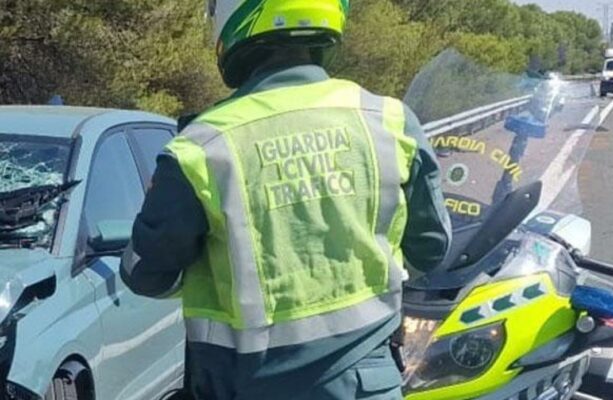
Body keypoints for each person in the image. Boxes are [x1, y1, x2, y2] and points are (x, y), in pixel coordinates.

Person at [120, 1, 452, 399]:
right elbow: (430, 249)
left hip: (246, 386)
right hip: (366, 385)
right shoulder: (390, 121)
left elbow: (145, 274)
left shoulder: (201, 146)